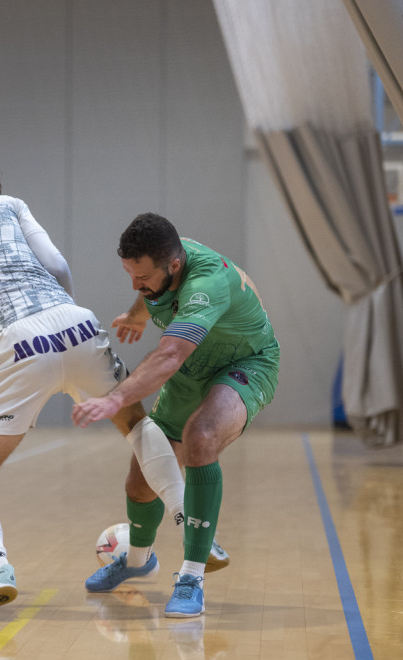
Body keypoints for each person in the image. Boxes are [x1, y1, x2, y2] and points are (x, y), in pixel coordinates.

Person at [0, 144, 187, 620]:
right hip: (72, 321)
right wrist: (59, 320)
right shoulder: (9, 204)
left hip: (13, 346)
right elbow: (57, 266)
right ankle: (195, 528)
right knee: (135, 422)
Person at [73, 213, 280, 618]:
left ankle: (192, 576)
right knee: (141, 482)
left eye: (142, 277)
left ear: (175, 265)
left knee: (200, 437)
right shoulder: (166, 257)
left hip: (245, 364)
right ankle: (136, 561)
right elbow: (153, 293)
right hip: (193, 369)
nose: (135, 284)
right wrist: (139, 311)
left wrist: (116, 400)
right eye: (130, 276)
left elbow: (170, 355)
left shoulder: (206, 284)